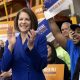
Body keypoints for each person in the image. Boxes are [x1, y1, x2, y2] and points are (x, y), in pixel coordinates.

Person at [1, 8, 48, 80]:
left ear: (32, 21)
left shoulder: (40, 38)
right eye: (20, 19)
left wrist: (31, 47)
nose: (23, 22)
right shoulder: (10, 41)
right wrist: (10, 46)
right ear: (17, 22)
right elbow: (4, 67)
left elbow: (41, 65)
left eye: (27, 19)